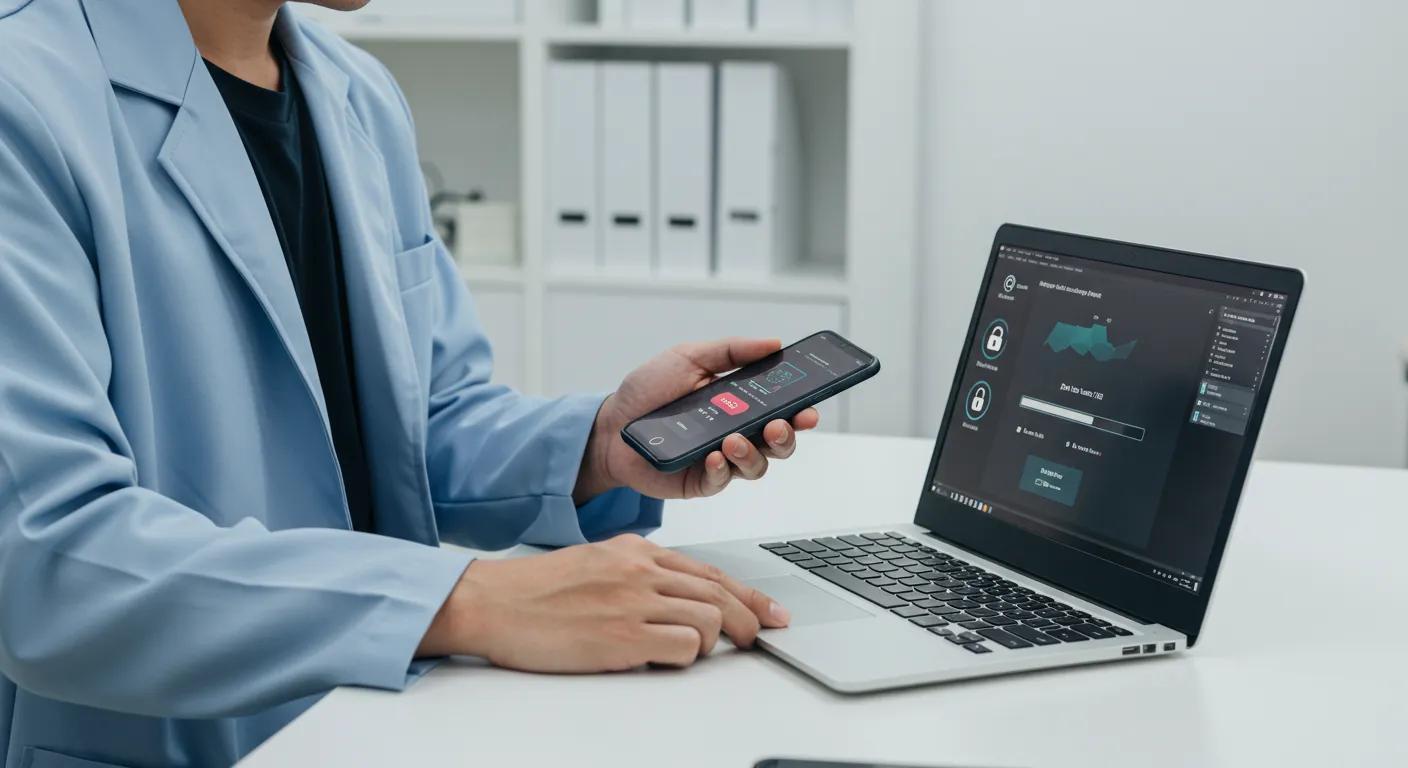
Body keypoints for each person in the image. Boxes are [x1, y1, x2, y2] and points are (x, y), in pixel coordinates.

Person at [0, 0, 816, 764]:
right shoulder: (24, 94)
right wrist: (467, 600)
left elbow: (418, 428)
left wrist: (598, 445)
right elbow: (50, 560)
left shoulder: (355, 94)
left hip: (376, 722)